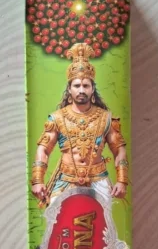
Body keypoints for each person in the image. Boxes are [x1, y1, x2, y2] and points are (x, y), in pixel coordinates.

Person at [30, 43, 129, 206]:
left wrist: (122, 180)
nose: (81, 90)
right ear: (69, 89)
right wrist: (37, 180)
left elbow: (119, 150)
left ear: (92, 89)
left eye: (86, 86)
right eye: (77, 85)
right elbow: (43, 149)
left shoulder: (106, 118)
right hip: (65, 181)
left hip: (98, 181)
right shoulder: (57, 118)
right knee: (58, 217)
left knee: (101, 219)